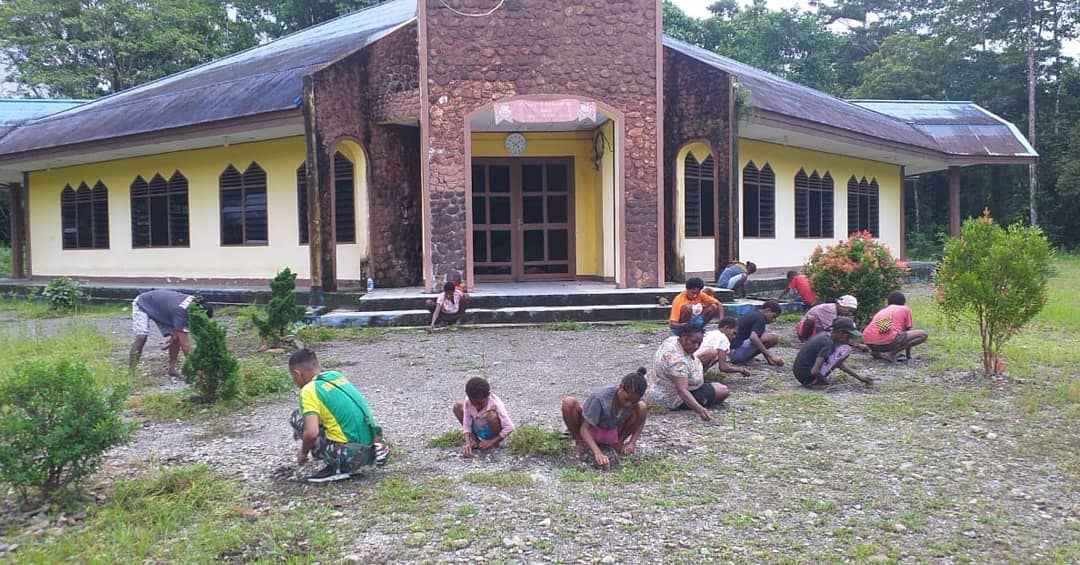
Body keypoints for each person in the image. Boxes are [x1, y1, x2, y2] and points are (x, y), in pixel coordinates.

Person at [288, 348, 389, 483]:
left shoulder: (308, 390)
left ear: (297, 374)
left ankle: (337, 467)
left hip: (350, 456)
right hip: (373, 448)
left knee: (297, 417)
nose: (294, 381)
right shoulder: (336, 376)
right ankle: (359, 454)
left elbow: (311, 433)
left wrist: (303, 452)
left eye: (293, 377)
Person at [561, 368, 649, 468]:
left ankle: (618, 443)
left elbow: (642, 419)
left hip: (612, 430)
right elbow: (584, 429)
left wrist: (632, 442)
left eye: (633, 402)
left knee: (642, 407)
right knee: (568, 403)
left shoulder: (635, 400)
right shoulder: (600, 398)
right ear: (620, 387)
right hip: (592, 429)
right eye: (626, 399)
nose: (628, 404)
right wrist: (597, 452)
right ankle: (581, 442)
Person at [645, 329, 729, 421]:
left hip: (655, 386)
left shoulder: (671, 340)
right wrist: (699, 409)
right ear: (684, 337)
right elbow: (682, 390)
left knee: (711, 354)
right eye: (693, 342)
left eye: (699, 343)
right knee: (723, 390)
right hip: (671, 397)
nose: (696, 346)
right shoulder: (677, 362)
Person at [129, 289, 213, 378]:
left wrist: (174, 337)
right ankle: (131, 373)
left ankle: (172, 370)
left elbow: (179, 333)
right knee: (142, 337)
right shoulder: (181, 311)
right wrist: (197, 368)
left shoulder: (195, 303)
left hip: (162, 308)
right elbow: (185, 346)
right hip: (142, 303)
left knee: (176, 339)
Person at [792, 317, 872, 388]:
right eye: (848, 335)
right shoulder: (828, 343)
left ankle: (816, 381)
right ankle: (815, 382)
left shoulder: (825, 335)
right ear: (841, 333)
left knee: (843, 350)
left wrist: (860, 378)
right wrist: (826, 383)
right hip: (807, 377)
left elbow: (837, 363)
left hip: (801, 374)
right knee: (845, 351)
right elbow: (815, 371)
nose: (849, 338)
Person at [452, 377, 515, 456]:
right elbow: (466, 423)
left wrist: (491, 441)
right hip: (478, 428)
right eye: (474, 403)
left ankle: (494, 443)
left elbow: (509, 427)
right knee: (457, 407)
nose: (477, 407)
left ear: (488, 395)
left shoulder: (495, 403)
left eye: (481, 403)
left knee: (491, 415)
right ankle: (475, 441)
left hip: (491, 431)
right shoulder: (468, 401)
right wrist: (468, 442)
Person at [862, 291, 929, 362]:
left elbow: (879, 329)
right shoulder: (905, 309)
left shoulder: (884, 310)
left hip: (868, 342)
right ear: (903, 301)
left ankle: (877, 353)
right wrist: (908, 356)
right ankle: (891, 354)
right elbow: (907, 331)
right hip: (886, 343)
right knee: (923, 334)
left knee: (886, 334)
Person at [729, 300, 784, 366]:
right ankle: (744, 358)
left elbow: (759, 338)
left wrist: (769, 359)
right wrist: (771, 356)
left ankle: (747, 357)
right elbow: (753, 337)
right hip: (737, 354)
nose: (773, 320)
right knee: (773, 338)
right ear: (768, 310)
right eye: (773, 316)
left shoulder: (753, 313)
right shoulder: (760, 318)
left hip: (731, 352)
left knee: (764, 335)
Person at [795, 295, 859, 342]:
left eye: (851, 311)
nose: (849, 313)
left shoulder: (838, 311)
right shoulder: (829, 309)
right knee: (810, 320)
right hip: (806, 330)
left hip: (818, 331)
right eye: (849, 310)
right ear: (841, 305)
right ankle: (805, 340)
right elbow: (832, 329)